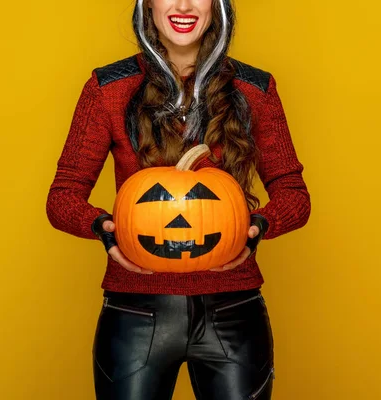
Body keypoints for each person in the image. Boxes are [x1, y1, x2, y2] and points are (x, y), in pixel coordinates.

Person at [46, 0, 311, 398]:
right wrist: (105, 230)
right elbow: (63, 195)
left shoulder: (255, 89)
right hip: (136, 313)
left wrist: (256, 227)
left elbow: (294, 194)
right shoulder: (107, 89)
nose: (184, 5)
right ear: (147, 4)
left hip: (233, 314)